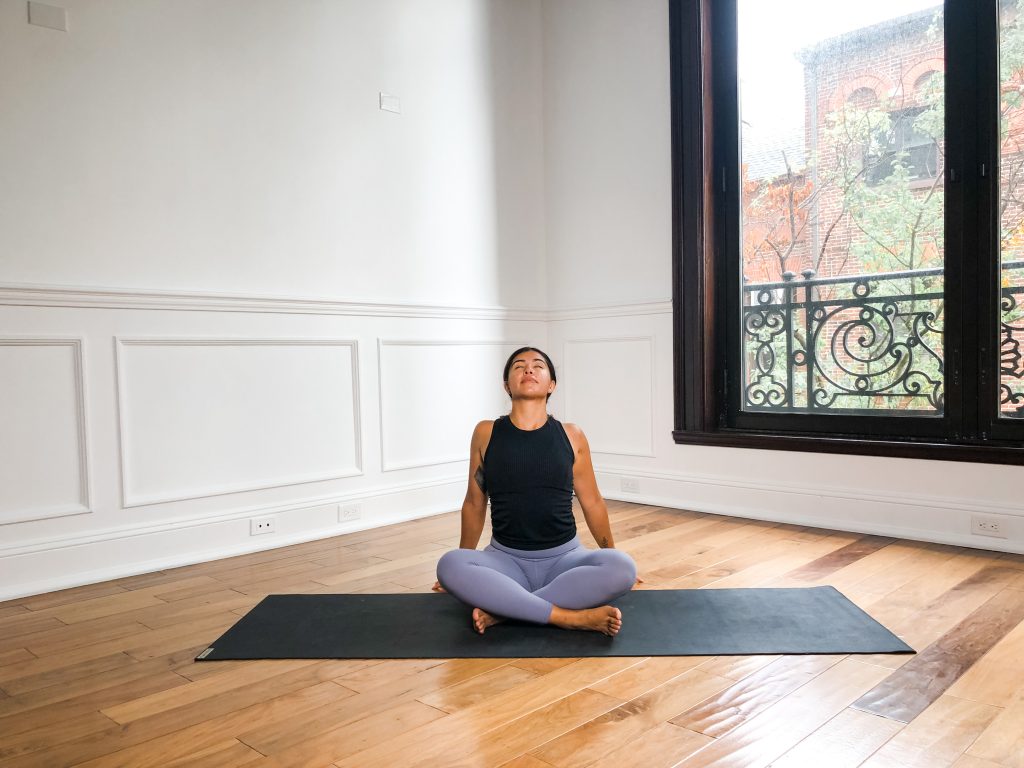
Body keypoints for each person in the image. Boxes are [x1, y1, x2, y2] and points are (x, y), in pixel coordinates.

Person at [433, 346, 639, 636]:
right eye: (519, 366)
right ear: (507, 385)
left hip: (564, 560)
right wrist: (467, 557)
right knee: (450, 565)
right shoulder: (486, 432)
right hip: (505, 561)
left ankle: (505, 612)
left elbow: (592, 502)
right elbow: (474, 502)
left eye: (538, 365)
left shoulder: (572, 435)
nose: (528, 370)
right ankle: (568, 617)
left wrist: (609, 551)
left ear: (551, 384)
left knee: (623, 567)